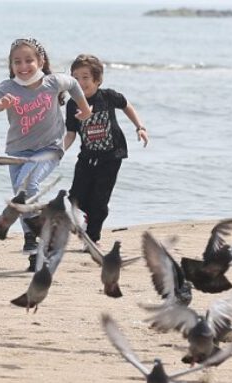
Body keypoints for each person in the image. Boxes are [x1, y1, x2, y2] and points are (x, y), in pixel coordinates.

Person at [0, 38, 92, 271]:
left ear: (40, 61)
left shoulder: (52, 82)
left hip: (49, 148)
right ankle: (35, 247)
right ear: (11, 65)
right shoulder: (7, 87)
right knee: (22, 196)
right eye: (17, 62)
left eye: (29, 60)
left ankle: (41, 231)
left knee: (26, 187)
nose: (24, 66)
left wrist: (85, 108)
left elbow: (71, 83)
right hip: (18, 152)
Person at [63, 54, 149, 247]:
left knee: (99, 202)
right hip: (87, 157)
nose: (80, 82)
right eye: (75, 78)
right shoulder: (72, 104)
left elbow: (126, 105)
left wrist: (140, 127)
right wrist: (58, 151)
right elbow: (70, 134)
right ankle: (85, 220)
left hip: (111, 157)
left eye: (85, 77)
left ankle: (92, 239)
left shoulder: (108, 97)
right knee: (76, 196)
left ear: (97, 79)